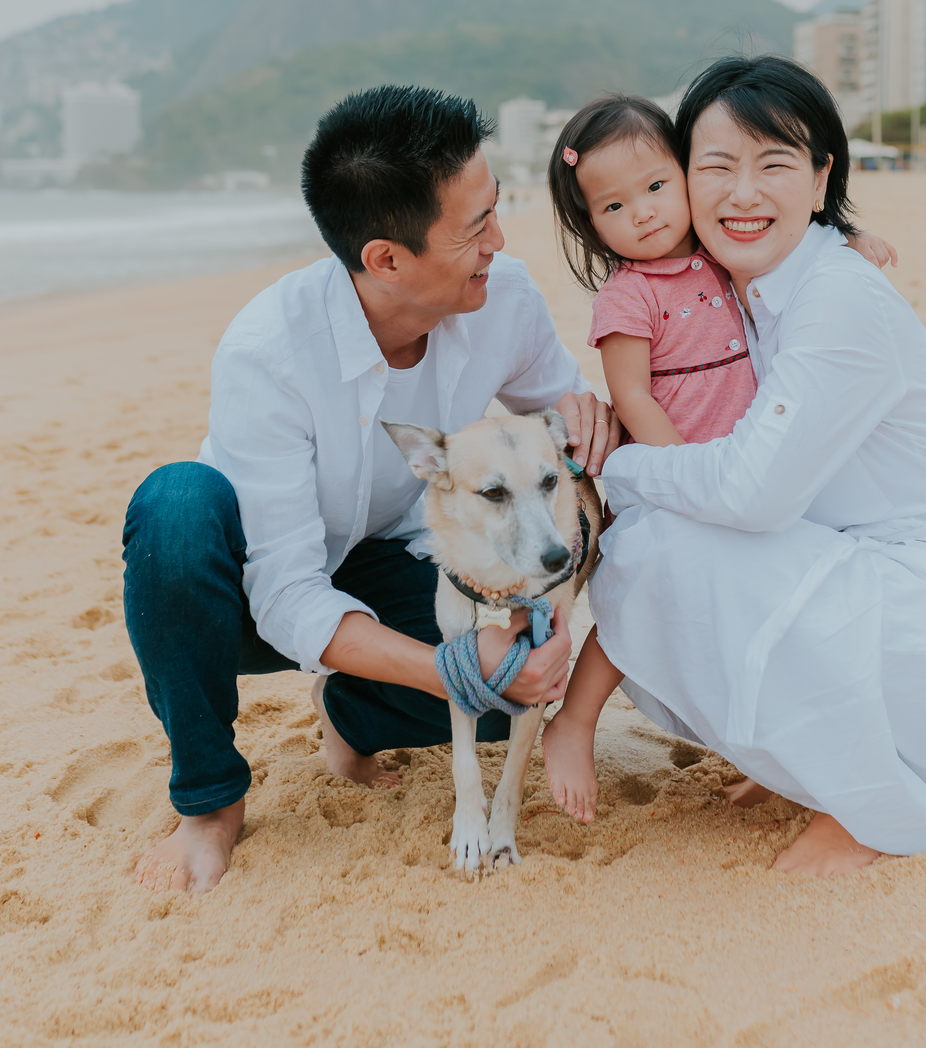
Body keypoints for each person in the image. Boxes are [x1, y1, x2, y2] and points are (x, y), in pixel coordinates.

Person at [122, 84, 620, 895]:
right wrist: (454, 664)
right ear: (387, 258)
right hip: (243, 593)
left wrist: (579, 500)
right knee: (176, 506)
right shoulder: (268, 350)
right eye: (475, 227)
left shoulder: (505, 299)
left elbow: (567, 437)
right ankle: (210, 802)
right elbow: (286, 594)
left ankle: (348, 713)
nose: (499, 239)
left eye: (496, 209)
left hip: (392, 560)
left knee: (501, 705)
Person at [587, 54, 926, 876]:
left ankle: (872, 805)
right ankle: (808, 762)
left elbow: (752, 493)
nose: (743, 193)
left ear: (820, 180)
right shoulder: (753, 290)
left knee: (659, 542)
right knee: (676, 543)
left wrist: (624, 474)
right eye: (717, 167)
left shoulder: (837, 295)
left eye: (775, 164)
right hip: (914, 607)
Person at [537, 91, 896, 821]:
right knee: (644, 591)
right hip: (676, 476)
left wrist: (848, 244)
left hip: (746, 469)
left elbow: (794, 262)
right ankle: (572, 720)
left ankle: (766, 752)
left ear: (683, 174)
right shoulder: (628, 296)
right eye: (612, 207)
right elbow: (631, 396)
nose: (641, 212)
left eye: (656, 187)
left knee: (750, 616)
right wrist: (683, 475)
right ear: (590, 225)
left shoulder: (717, 255)